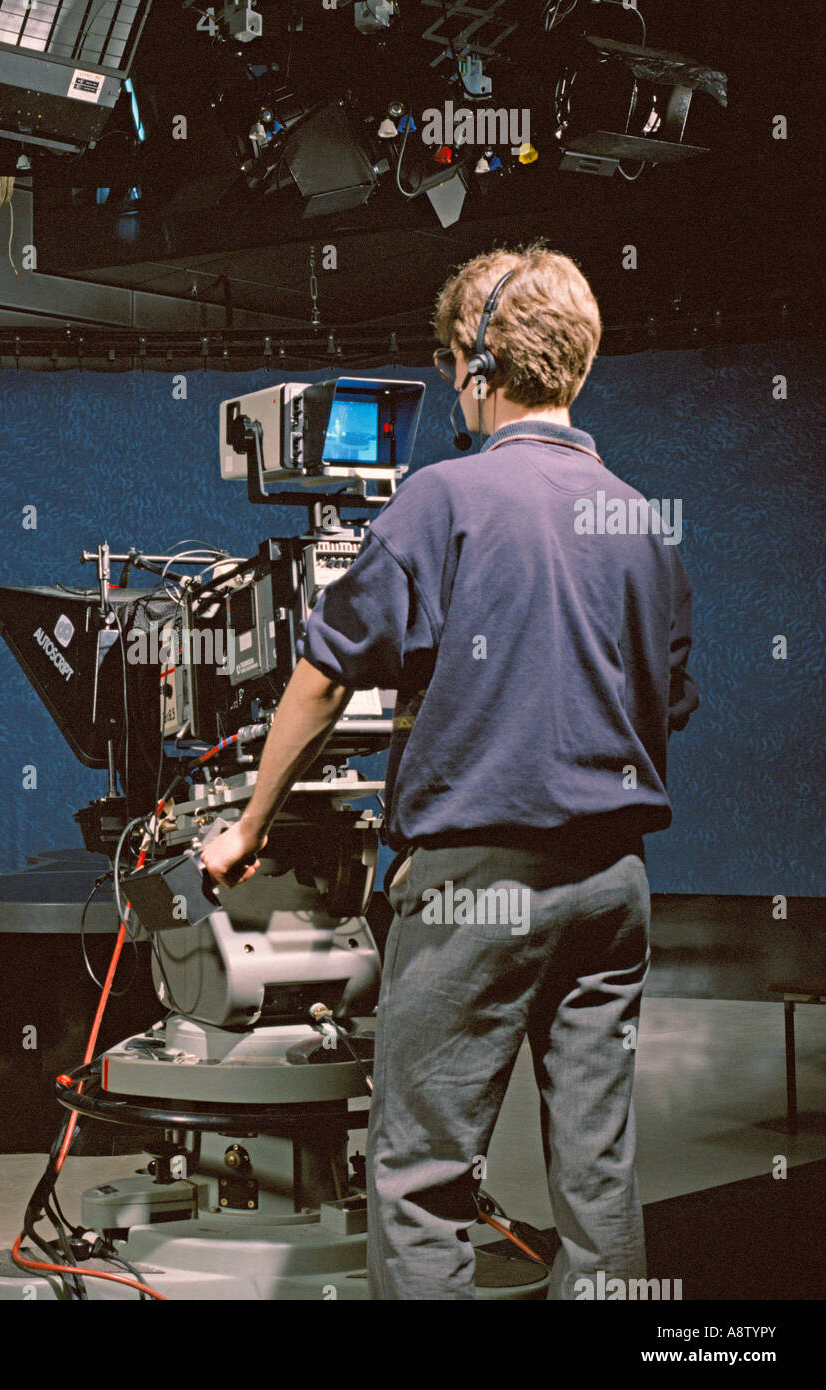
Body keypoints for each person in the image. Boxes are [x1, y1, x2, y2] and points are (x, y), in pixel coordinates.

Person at [202, 241, 699, 1300]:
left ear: (478, 368)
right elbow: (663, 706)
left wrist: (246, 825)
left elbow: (323, 678)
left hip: (476, 886)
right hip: (614, 884)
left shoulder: (443, 497)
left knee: (424, 1174)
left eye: (445, 366)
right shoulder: (641, 522)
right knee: (598, 1171)